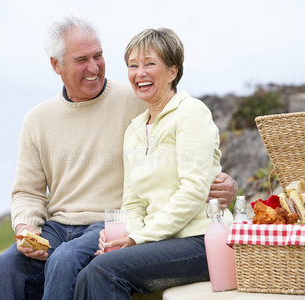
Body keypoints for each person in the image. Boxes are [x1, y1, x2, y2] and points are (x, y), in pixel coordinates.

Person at [0, 17, 237, 300]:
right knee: (0, 268)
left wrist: (224, 183)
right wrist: (26, 226)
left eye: (98, 56)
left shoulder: (141, 100)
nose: (93, 67)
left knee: (68, 261)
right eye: (81, 60)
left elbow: (192, 148)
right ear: (56, 65)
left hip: (110, 221)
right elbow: (28, 192)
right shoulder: (40, 120)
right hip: (60, 226)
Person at [74, 28, 234, 299]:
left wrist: (138, 239)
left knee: (101, 271)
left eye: (150, 64)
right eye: (133, 66)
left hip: (201, 240)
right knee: (93, 266)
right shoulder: (135, 129)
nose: (140, 73)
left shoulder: (191, 112)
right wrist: (127, 238)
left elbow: (194, 191)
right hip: (162, 242)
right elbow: (133, 202)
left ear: (173, 71)